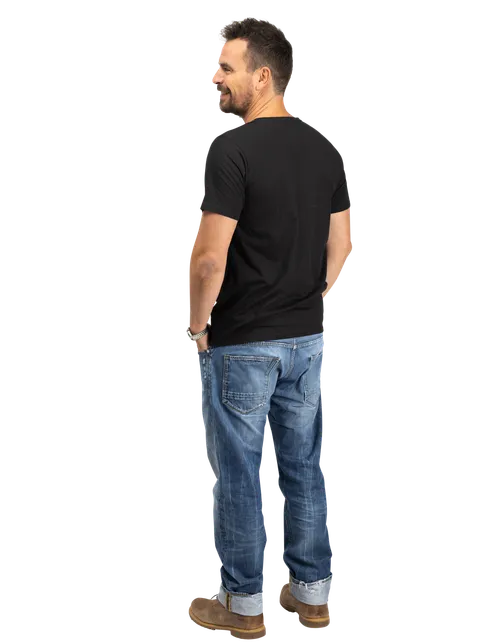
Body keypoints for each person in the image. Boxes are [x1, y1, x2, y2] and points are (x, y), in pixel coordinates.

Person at [185, 16, 352, 639]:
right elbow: (342, 242)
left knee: (239, 473)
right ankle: (314, 598)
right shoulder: (323, 148)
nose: (216, 77)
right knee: (305, 465)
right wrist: (311, 294)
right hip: (307, 339)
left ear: (262, 76)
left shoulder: (233, 151)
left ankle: (246, 607)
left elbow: (208, 258)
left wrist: (197, 323)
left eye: (226, 67)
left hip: (243, 341)